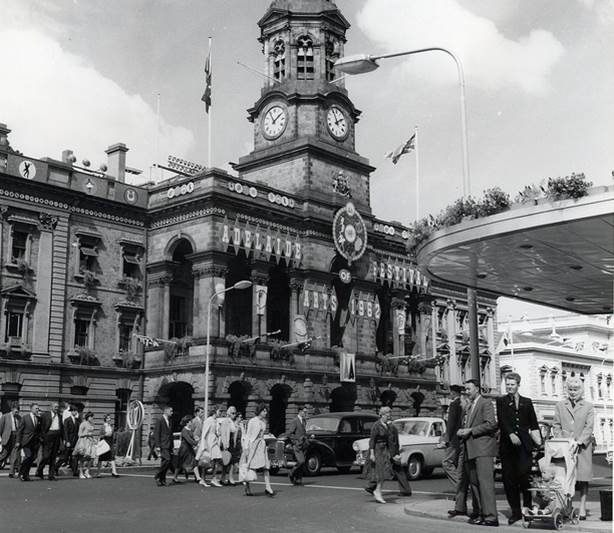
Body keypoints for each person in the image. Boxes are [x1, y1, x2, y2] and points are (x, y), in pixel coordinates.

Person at [496, 372, 541, 525]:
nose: (509, 387)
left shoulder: (527, 402)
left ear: (518, 385)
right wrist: (510, 434)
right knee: (509, 480)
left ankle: (527, 508)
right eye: (507, 384)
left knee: (524, 476)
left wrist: (538, 441)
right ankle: (515, 511)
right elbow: (502, 420)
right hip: (507, 447)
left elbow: (533, 423)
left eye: (512, 384)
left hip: (524, 446)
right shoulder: (501, 401)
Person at [456, 379, 498, 527]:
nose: (466, 392)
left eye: (469, 389)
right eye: (465, 389)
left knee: (485, 484)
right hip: (470, 449)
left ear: (477, 389)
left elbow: (491, 424)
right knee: (474, 483)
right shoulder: (469, 406)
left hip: (483, 449)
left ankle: (491, 517)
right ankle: (480, 513)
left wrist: (470, 431)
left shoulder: (485, 403)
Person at [552, 376, 594, 520]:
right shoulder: (560, 405)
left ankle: (582, 508)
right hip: (566, 447)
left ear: (581, 390)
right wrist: (562, 440)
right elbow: (556, 425)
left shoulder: (588, 406)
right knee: (566, 478)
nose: (573, 392)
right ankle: (567, 506)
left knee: (582, 479)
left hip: (582, 448)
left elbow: (589, 427)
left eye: (575, 389)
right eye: (570, 389)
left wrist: (580, 441)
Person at [448, 392, 480, 520]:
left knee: (473, 479)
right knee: (461, 476)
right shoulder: (464, 411)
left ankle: (477, 509)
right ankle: (460, 507)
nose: (460, 401)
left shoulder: (475, 409)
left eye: (462, 398)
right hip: (462, 445)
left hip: (473, 446)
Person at [365, 414, 412, 498]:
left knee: (387, 468)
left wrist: (394, 454)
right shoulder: (386, 426)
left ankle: (405, 490)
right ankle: (372, 486)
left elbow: (393, 441)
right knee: (384, 468)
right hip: (387, 451)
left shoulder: (391, 428)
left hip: (389, 451)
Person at [239, 403, 274, 497]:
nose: (265, 413)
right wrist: (246, 448)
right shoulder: (252, 421)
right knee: (250, 467)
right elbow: (248, 435)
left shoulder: (264, 422)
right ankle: (247, 487)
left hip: (261, 445)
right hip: (253, 445)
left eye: (266, 411)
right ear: (259, 411)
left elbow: (262, 434)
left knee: (266, 467)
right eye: (264, 411)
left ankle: (268, 487)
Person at [364, 406, 394, 504]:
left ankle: (377, 490)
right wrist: (372, 454)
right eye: (387, 413)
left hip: (384, 450)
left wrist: (392, 453)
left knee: (385, 471)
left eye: (389, 413)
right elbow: (372, 440)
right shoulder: (376, 425)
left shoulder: (388, 426)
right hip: (377, 450)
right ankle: (377, 491)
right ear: (382, 414)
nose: (389, 415)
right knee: (379, 472)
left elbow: (390, 440)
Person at [440, 385, 464, 488]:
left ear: (453, 393)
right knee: (458, 465)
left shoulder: (454, 404)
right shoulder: (463, 403)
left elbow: (451, 424)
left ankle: (460, 486)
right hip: (460, 439)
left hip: (453, 439)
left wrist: (446, 439)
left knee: (446, 463)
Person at [36, 401, 64, 481]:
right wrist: (41, 437)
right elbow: (40, 427)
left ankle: (51, 475)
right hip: (48, 436)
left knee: (53, 457)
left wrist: (63, 439)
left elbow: (62, 428)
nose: (57, 408)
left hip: (57, 436)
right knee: (46, 456)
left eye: (57, 407)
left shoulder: (59, 416)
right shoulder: (45, 415)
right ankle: (40, 470)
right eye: (55, 407)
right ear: (51, 407)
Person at [172, 415, 204, 485]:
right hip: (184, 449)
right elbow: (189, 440)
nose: (192, 423)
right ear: (187, 422)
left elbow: (192, 438)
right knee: (179, 464)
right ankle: (175, 477)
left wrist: (197, 439)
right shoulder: (184, 430)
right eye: (191, 421)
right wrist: (197, 442)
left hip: (189, 449)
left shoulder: (189, 430)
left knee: (194, 462)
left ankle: (198, 478)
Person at [15, 403, 41, 481]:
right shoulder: (25, 418)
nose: (37, 410)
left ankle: (26, 474)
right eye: (36, 408)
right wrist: (18, 441)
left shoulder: (38, 418)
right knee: (28, 456)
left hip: (35, 441)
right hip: (26, 441)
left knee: (32, 457)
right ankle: (21, 473)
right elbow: (20, 431)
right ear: (31, 409)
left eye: (38, 408)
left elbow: (38, 430)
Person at [198, 406, 223, 487]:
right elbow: (204, 434)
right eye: (219, 411)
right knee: (206, 462)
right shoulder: (208, 420)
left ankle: (213, 478)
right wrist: (204, 446)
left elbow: (216, 432)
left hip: (214, 443)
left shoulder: (216, 421)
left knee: (217, 459)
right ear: (215, 411)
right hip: (209, 443)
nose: (221, 413)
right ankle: (203, 479)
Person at [218, 405, 240, 485]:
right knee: (226, 462)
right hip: (227, 443)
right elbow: (223, 434)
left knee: (232, 462)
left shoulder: (232, 422)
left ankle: (229, 478)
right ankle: (224, 478)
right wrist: (225, 445)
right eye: (233, 413)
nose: (234, 415)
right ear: (229, 413)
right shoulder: (226, 421)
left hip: (232, 443)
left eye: (235, 413)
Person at [287, 404, 308, 486]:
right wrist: (295, 441)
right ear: (300, 411)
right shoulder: (295, 421)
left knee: (303, 463)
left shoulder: (304, 421)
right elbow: (290, 433)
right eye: (304, 412)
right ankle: (291, 472)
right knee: (301, 461)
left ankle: (298, 479)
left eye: (306, 412)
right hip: (297, 445)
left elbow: (304, 432)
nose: (305, 413)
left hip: (304, 444)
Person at [153, 406, 174, 487]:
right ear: (166, 411)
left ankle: (162, 479)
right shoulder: (160, 420)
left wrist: (172, 445)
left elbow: (170, 434)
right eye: (171, 411)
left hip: (168, 444)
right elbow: (157, 433)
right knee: (167, 460)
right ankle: (157, 475)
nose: (172, 413)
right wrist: (158, 445)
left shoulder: (170, 420)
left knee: (165, 462)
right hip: (163, 444)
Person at [0, 402, 21, 478]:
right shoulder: (5, 416)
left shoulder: (19, 418)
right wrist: (3, 438)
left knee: (14, 456)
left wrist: (18, 441)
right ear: (12, 409)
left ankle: (11, 473)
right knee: (3, 455)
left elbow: (19, 430)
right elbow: (1, 429)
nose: (17, 412)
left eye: (18, 411)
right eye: (16, 411)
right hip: (7, 438)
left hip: (15, 438)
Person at [73, 412, 97, 479]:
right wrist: (86, 434)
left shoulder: (92, 424)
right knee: (82, 459)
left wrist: (94, 439)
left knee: (91, 458)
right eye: (90, 417)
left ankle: (87, 471)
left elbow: (91, 434)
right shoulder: (83, 424)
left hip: (90, 442)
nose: (91, 418)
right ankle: (81, 473)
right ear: (87, 417)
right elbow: (79, 434)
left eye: (92, 417)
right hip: (83, 442)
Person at [61, 405, 80, 477]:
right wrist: (67, 441)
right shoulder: (67, 420)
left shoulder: (78, 420)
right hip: (69, 440)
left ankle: (75, 471)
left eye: (76, 411)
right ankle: (56, 468)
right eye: (74, 411)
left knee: (74, 456)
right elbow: (65, 431)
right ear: (71, 412)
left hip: (75, 440)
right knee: (65, 457)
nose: (75, 412)